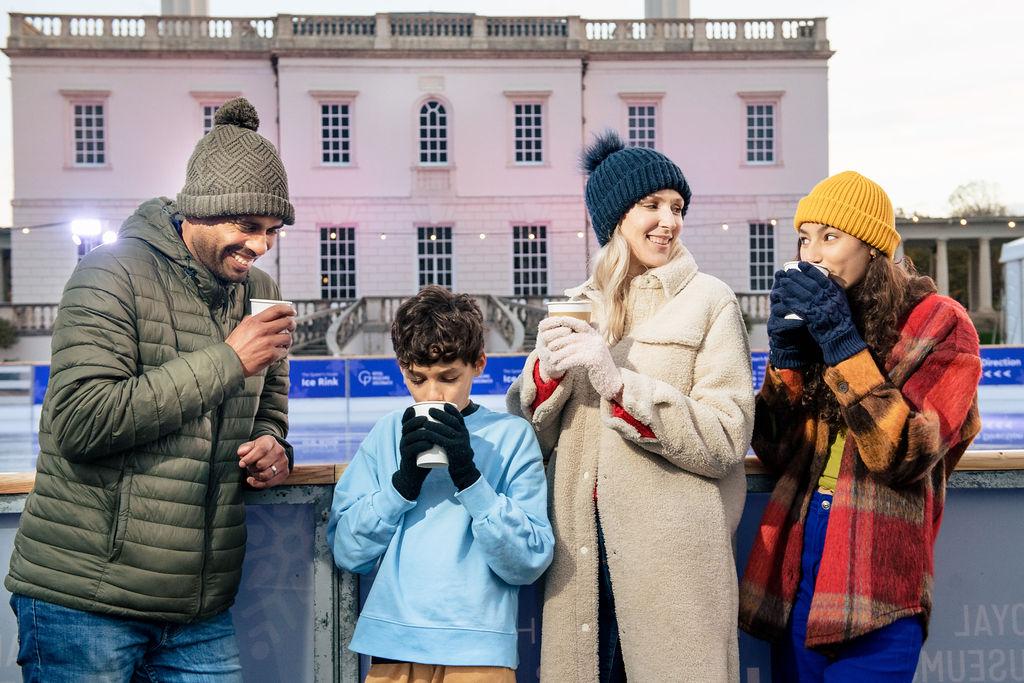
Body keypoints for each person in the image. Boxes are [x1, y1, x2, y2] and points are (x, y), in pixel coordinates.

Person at [6, 97, 297, 681]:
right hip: (85, 600)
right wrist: (227, 359)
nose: (262, 245)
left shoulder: (259, 287)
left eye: (271, 230)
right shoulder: (109, 273)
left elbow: (270, 407)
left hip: (198, 606)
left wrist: (274, 447)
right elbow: (82, 422)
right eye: (249, 228)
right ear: (203, 210)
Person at [507, 131, 755, 682]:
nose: (669, 220)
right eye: (652, 205)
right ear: (617, 217)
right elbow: (526, 442)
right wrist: (545, 376)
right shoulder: (580, 303)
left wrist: (620, 385)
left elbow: (726, 438)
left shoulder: (711, 301)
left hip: (673, 566)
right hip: (580, 559)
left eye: (677, 207)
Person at [739, 171, 982, 682]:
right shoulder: (821, 316)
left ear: (873, 247)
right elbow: (777, 451)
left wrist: (841, 343)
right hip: (803, 557)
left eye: (831, 237)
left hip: (881, 578)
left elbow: (904, 455)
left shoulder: (941, 323)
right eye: (805, 238)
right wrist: (785, 357)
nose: (813, 255)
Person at [328, 285, 554, 683]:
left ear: (479, 364)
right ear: (402, 369)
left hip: (478, 648)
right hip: (393, 643)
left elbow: (529, 560)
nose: (432, 393)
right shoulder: (385, 434)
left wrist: (470, 478)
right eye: (417, 379)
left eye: (449, 378)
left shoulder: (511, 436)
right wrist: (402, 485)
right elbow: (348, 550)